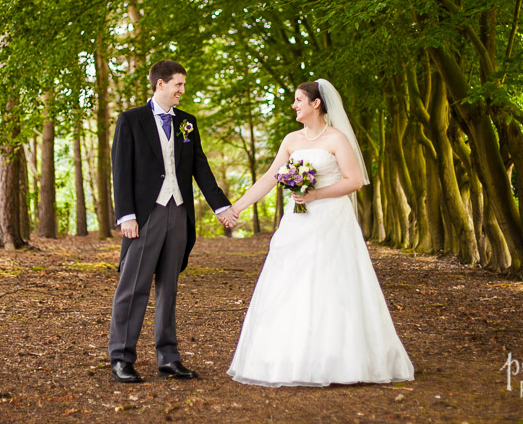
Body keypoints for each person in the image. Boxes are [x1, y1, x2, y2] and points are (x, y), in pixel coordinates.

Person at [225, 79, 414, 387]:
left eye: (298, 100)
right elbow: (270, 178)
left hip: (331, 221)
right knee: (291, 283)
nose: (294, 105)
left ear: (315, 104)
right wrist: (237, 208)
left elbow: (354, 180)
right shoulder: (291, 140)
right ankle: (290, 356)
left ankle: (340, 358)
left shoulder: (337, 139)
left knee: (332, 284)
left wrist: (315, 195)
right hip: (298, 222)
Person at [108, 60, 238, 383]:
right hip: (144, 215)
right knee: (133, 287)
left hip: (178, 213)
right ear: (160, 85)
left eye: (183, 84)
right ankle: (121, 358)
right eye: (178, 84)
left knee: (169, 288)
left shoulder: (187, 124)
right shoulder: (131, 120)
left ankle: (168, 357)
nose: (182, 90)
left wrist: (221, 207)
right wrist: (126, 215)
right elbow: (120, 171)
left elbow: (201, 170)